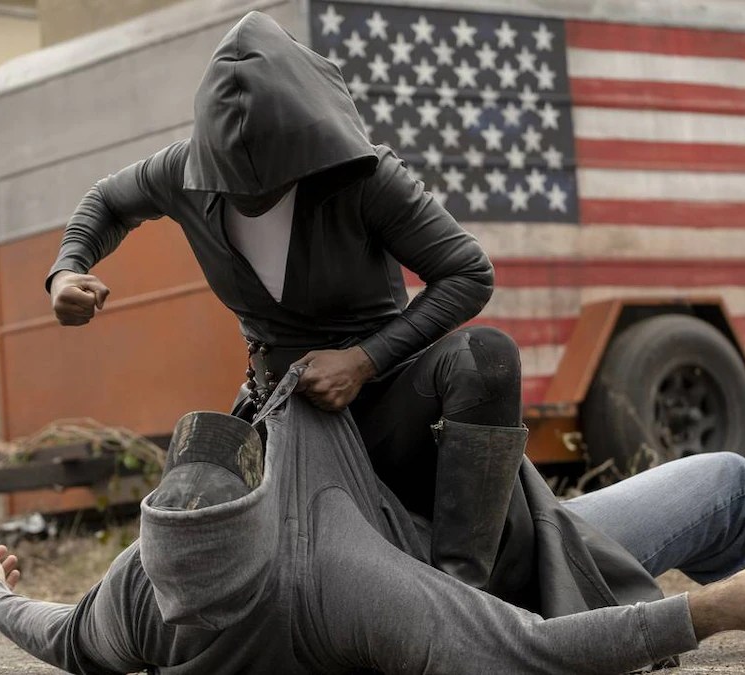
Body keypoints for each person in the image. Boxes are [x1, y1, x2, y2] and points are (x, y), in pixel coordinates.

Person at [0, 377, 745, 674]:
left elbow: (57, 635)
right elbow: (533, 648)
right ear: (258, 530)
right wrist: (713, 610)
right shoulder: (337, 577)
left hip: (439, 542)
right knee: (728, 486)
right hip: (510, 579)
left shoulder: (140, 591)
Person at [46, 10, 521, 590]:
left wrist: (363, 360)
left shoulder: (367, 178)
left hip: (380, 406)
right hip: (279, 416)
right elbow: (106, 201)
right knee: (187, 541)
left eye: (269, 180)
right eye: (234, 177)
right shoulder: (181, 172)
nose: (251, 193)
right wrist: (67, 269)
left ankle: (462, 593)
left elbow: (468, 273)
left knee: (489, 355)